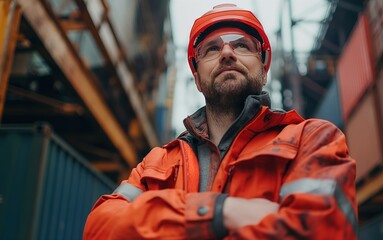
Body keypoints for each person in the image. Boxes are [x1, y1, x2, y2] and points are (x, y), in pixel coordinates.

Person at [83, 3, 357, 239]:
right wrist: (220, 212)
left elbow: (321, 231)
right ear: (197, 78)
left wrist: (163, 225)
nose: (227, 52)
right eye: (212, 49)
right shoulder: (157, 163)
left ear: (263, 67)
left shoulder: (312, 139)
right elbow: (99, 228)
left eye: (242, 45)